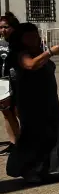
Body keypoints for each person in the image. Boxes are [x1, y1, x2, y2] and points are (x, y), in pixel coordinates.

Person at [4, 23, 59, 183]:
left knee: (50, 135)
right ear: (21, 38)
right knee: (33, 137)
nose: (34, 38)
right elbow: (30, 65)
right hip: (31, 104)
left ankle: (43, 168)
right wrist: (50, 52)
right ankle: (27, 169)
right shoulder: (20, 54)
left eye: (35, 35)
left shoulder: (37, 51)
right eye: (29, 36)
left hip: (48, 101)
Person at [0, 13, 19, 155]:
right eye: (0, 27)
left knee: (19, 112)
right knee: (6, 113)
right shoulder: (0, 43)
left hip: (17, 82)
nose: (3, 30)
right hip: (3, 82)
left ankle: (25, 140)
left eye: (6, 27)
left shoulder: (20, 43)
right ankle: (13, 143)